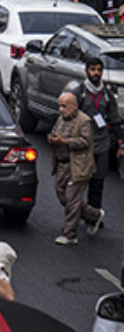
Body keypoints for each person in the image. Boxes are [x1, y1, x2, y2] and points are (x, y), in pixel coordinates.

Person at [49, 91, 104, 245]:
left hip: (78, 166)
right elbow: (55, 132)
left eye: (64, 106)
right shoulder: (61, 119)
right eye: (59, 106)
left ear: (74, 106)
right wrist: (53, 140)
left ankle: (69, 234)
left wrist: (65, 142)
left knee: (72, 200)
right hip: (62, 164)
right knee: (62, 195)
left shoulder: (84, 121)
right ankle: (94, 215)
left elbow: (86, 141)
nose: (61, 109)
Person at [72, 57, 122, 219]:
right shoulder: (79, 92)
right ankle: (78, 213)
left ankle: (94, 215)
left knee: (98, 181)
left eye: (99, 70)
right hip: (83, 144)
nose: (96, 73)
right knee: (79, 181)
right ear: (87, 71)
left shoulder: (107, 95)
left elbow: (114, 119)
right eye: (93, 69)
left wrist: (121, 142)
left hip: (102, 143)